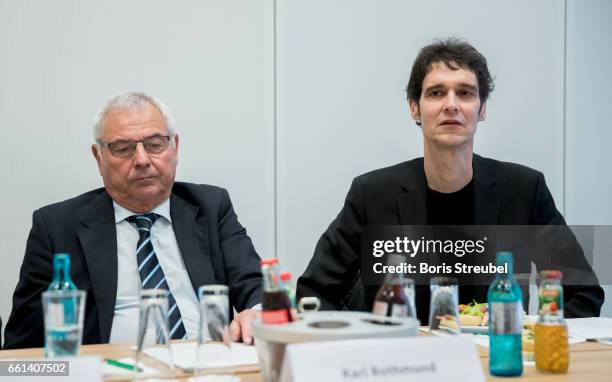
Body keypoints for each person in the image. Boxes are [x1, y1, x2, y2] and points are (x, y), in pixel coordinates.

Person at [296, 38, 604, 324]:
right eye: (436, 92)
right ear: (414, 107)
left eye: (466, 93)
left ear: (482, 109)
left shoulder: (524, 190)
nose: (451, 104)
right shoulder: (372, 194)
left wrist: (538, 342)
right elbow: (313, 293)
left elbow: (583, 292)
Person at [4, 92, 262, 349]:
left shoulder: (210, 205)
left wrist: (257, 312)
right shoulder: (56, 227)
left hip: (210, 366)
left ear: (175, 147)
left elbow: (253, 284)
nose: (141, 160)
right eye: (122, 148)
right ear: (98, 157)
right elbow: (21, 348)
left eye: (155, 144)